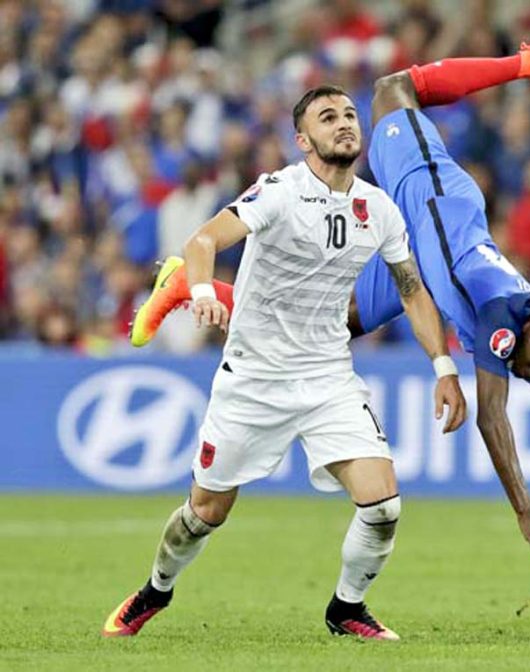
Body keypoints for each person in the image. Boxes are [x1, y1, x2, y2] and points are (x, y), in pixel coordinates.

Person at [130, 19, 530, 630]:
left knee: (336, 322)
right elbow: (492, 418)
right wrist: (523, 512)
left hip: (406, 259)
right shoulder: (499, 319)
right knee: (392, 87)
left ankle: (346, 610)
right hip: (430, 192)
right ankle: (529, 60)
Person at [102, 85, 467, 641]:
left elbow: (411, 288)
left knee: (383, 506)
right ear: (303, 140)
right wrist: (201, 287)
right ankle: (155, 590)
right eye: (328, 118)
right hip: (252, 379)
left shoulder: (379, 208)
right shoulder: (279, 191)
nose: (345, 123)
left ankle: (347, 609)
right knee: (204, 514)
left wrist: (443, 366)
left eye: (349, 114)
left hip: (327, 378)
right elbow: (204, 239)